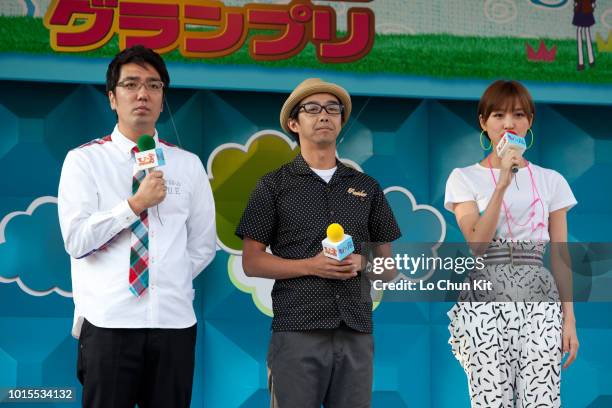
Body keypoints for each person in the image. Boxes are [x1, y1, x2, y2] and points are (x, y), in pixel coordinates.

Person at [57, 45, 216, 408]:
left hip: (174, 324)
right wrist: (134, 205)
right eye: (131, 84)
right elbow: (77, 240)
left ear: (162, 99)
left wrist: (166, 279)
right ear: (112, 98)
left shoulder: (187, 164)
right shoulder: (84, 160)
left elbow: (203, 245)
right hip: (109, 322)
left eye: (153, 85)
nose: (142, 93)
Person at [236, 78, 401, 408]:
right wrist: (310, 266)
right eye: (312, 109)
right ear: (294, 123)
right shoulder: (273, 185)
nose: (323, 115)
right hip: (297, 329)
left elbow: (390, 268)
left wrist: (364, 265)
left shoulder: (366, 186)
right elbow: (251, 262)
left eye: (332, 109)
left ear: (341, 121)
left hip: (355, 330)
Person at [444, 80, 579, 407]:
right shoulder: (464, 177)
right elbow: (476, 243)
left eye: (518, 114)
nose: (508, 123)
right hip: (486, 300)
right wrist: (503, 182)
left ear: (530, 121)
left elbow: (560, 256)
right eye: (498, 115)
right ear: (483, 122)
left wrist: (569, 319)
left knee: (542, 401)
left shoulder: (551, 180)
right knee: (491, 401)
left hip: (540, 300)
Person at [573, 0, 596, 70]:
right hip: (581, 9)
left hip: (586, 8)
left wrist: (592, 3)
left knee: (585, 32)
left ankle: (590, 60)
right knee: (582, 32)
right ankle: (582, 62)